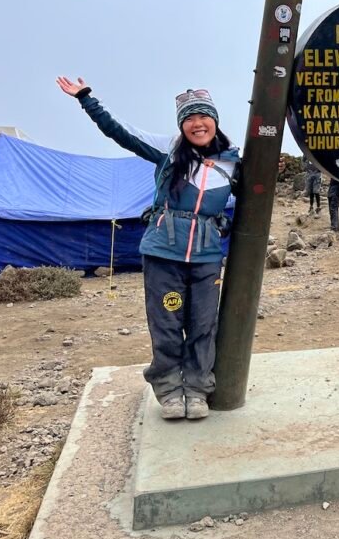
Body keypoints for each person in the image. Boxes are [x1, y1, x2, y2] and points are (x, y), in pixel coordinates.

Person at [56, 77, 239, 422]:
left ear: (215, 120)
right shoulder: (167, 150)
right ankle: (170, 389)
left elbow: (255, 191)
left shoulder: (231, 162)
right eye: (189, 119)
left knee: (203, 323)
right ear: (181, 125)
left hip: (207, 255)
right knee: (167, 321)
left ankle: (197, 389)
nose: (196, 124)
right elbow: (120, 131)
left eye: (203, 117)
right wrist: (86, 99)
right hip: (163, 252)